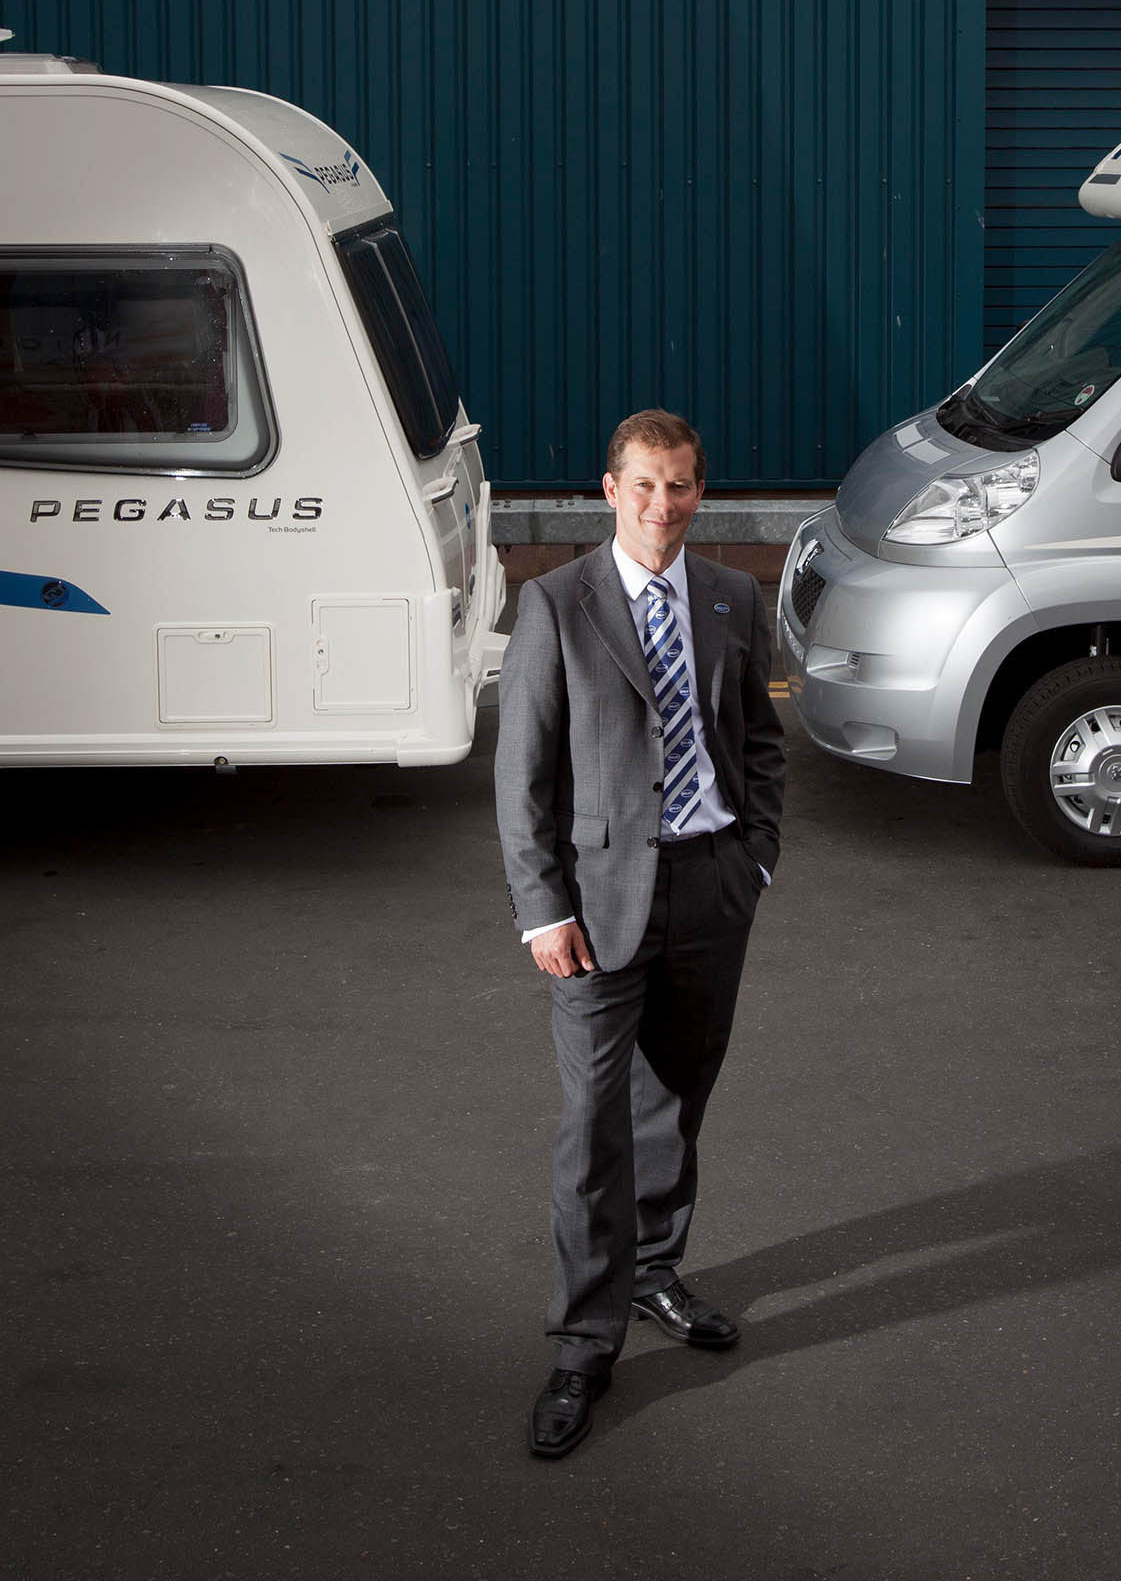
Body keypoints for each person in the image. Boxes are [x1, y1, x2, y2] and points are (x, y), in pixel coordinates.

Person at [495, 408, 786, 1459]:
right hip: (596, 908)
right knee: (593, 1125)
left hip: (712, 889)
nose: (665, 505)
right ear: (610, 491)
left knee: (676, 1101)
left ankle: (655, 1270)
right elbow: (522, 775)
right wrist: (543, 908)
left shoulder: (732, 596)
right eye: (646, 486)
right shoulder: (555, 604)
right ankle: (583, 1342)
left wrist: (755, 858)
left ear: (700, 492)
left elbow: (760, 740)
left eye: (682, 485)